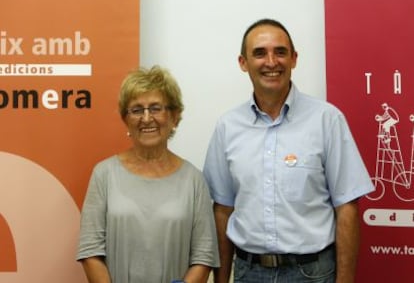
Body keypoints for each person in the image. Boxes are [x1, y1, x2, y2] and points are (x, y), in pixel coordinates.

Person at [203, 19, 374, 283]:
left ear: (294, 59)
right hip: (249, 273)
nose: (271, 62)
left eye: (280, 52)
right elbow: (222, 210)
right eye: (259, 53)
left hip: (313, 273)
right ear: (243, 63)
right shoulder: (227, 127)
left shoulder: (327, 120)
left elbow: (347, 206)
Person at [77, 65, 220, 283]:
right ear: (126, 119)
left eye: (155, 108)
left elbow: (204, 256)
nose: (146, 118)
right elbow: (90, 251)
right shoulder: (104, 175)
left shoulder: (194, 180)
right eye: (136, 110)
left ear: (174, 116)